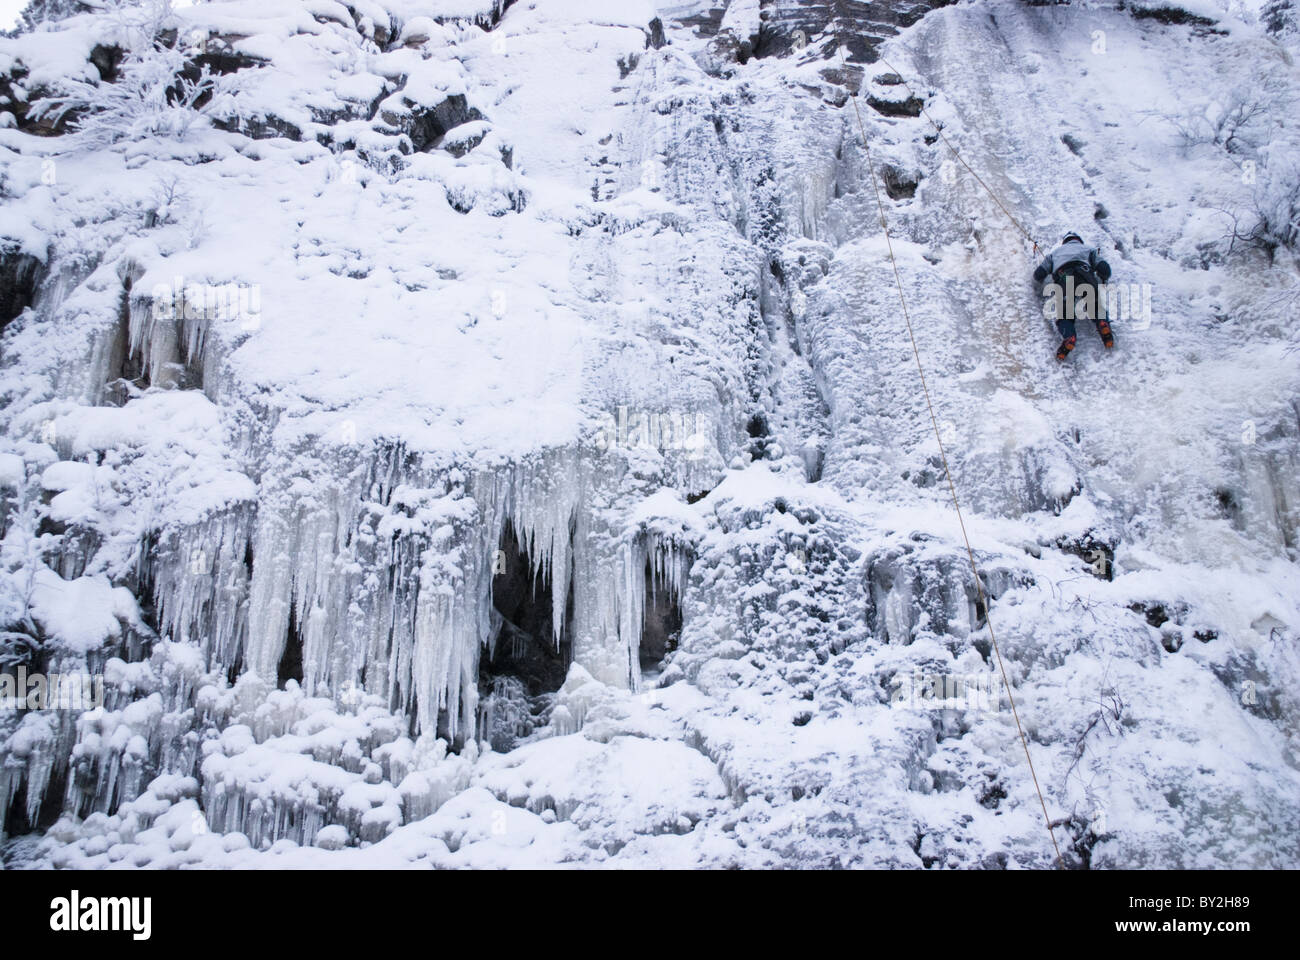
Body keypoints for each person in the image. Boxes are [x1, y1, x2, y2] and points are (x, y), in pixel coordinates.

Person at [1033, 232, 1114, 361]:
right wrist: (1104, 278)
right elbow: (1104, 268)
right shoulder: (1088, 249)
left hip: (1064, 277)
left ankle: (1069, 336)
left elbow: (1039, 274)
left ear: (1065, 242)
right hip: (1085, 274)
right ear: (1079, 241)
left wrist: (1039, 284)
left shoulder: (1055, 253)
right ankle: (1103, 324)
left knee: (1065, 313)